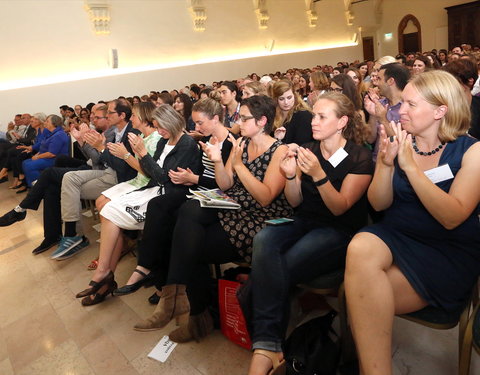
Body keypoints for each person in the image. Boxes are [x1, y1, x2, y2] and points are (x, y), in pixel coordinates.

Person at [345, 70, 480, 375]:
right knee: (361, 244)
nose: (400, 111)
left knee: (362, 301)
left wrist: (412, 169)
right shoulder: (400, 141)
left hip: (446, 251)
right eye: (401, 103)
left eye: (410, 105)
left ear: (440, 111)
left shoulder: (473, 152)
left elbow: (452, 217)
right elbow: (379, 204)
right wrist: (385, 162)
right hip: (397, 235)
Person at [133, 95, 293, 344]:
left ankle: (189, 309)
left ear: (262, 121)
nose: (238, 122)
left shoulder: (279, 150)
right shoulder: (241, 141)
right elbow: (225, 183)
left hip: (259, 219)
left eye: (244, 118)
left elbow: (265, 198)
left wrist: (238, 165)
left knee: (189, 241)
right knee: (188, 212)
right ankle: (180, 299)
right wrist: (219, 161)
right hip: (234, 207)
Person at [246, 92, 373, 375]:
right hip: (304, 220)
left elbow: (340, 208)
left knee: (277, 267)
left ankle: (265, 344)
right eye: (314, 115)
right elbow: (295, 203)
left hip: (338, 231)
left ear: (341, 122)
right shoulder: (308, 149)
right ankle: (270, 345)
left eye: (321, 116)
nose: (313, 121)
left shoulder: (360, 156)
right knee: (264, 238)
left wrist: (318, 175)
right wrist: (291, 176)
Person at [75, 104, 201, 306]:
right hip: (154, 189)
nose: (159, 131)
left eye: (161, 126)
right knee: (107, 209)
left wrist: (141, 153)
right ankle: (104, 272)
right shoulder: (165, 140)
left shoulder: (185, 143)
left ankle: (112, 272)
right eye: (157, 126)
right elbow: (153, 173)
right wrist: (137, 155)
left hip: (168, 195)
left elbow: (162, 178)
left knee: (109, 209)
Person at [113, 97, 233, 299]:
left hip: (214, 195)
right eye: (195, 122)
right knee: (162, 213)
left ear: (215, 119)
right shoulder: (205, 140)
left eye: (200, 122)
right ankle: (160, 280)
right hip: (196, 189)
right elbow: (192, 174)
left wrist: (192, 178)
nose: (196, 126)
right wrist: (191, 177)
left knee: (162, 208)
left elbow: (227, 184)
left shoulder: (229, 143)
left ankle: (151, 271)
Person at [22, 114, 69, 187]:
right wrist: (37, 154)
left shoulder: (59, 135)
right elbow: (43, 147)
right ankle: (36, 185)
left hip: (55, 159)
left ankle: (40, 186)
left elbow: (52, 153)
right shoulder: (50, 132)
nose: (45, 123)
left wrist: (38, 157)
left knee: (29, 165)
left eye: (47, 121)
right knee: (25, 162)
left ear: (54, 123)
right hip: (47, 157)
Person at [271, 80, 313, 147]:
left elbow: (303, 145)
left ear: (295, 96)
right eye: (281, 99)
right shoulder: (272, 114)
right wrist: (276, 139)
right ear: (276, 99)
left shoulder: (304, 115)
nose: (286, 102)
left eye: (289, 98)